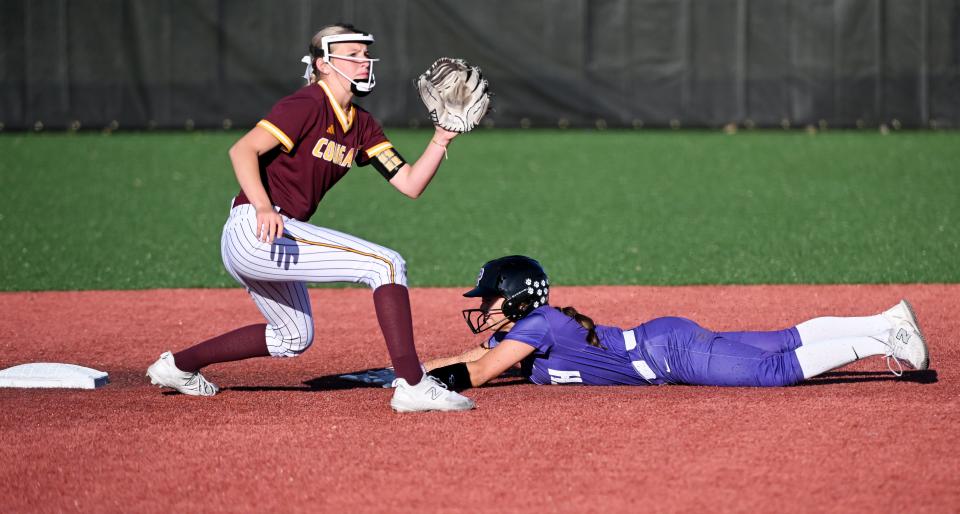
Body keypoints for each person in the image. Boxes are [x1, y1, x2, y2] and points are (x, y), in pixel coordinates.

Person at [147, 23, 475, 412]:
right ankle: (413, 383)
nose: (363, 61)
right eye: (352, 55)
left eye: (365, 54)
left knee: (293, 338)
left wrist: (441, 139)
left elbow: (409, 183)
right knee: (386, 264)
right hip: (257, 227)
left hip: (275, 237)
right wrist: (264, 207)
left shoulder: (363, 125)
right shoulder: (307, 104)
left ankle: (178, 366)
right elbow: (242, 151)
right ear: (323, 64)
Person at [422, 256, 930, 391]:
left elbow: (483, 373)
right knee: (782, 340)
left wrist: (424, 385)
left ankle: (884, 339)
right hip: (664, 340)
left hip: (669, 354)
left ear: (514, 298)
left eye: (489, 298)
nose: (483, 306)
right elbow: (473, 358)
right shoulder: (524, 329)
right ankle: (884, 319)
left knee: (773, 372)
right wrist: (411, 370)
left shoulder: (535, 327)